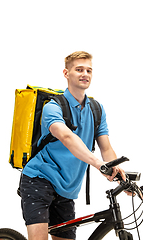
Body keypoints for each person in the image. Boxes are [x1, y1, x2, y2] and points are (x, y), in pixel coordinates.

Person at [20, 51, 127, 240]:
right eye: (79, 69)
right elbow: (67, 137)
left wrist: (120, 177)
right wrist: (97, 164)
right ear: (66, 73)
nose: (85, 74)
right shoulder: (52, 107)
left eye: (89, 70)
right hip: (39, 179)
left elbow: (106, 148)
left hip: (67, 188)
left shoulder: (97, 110)